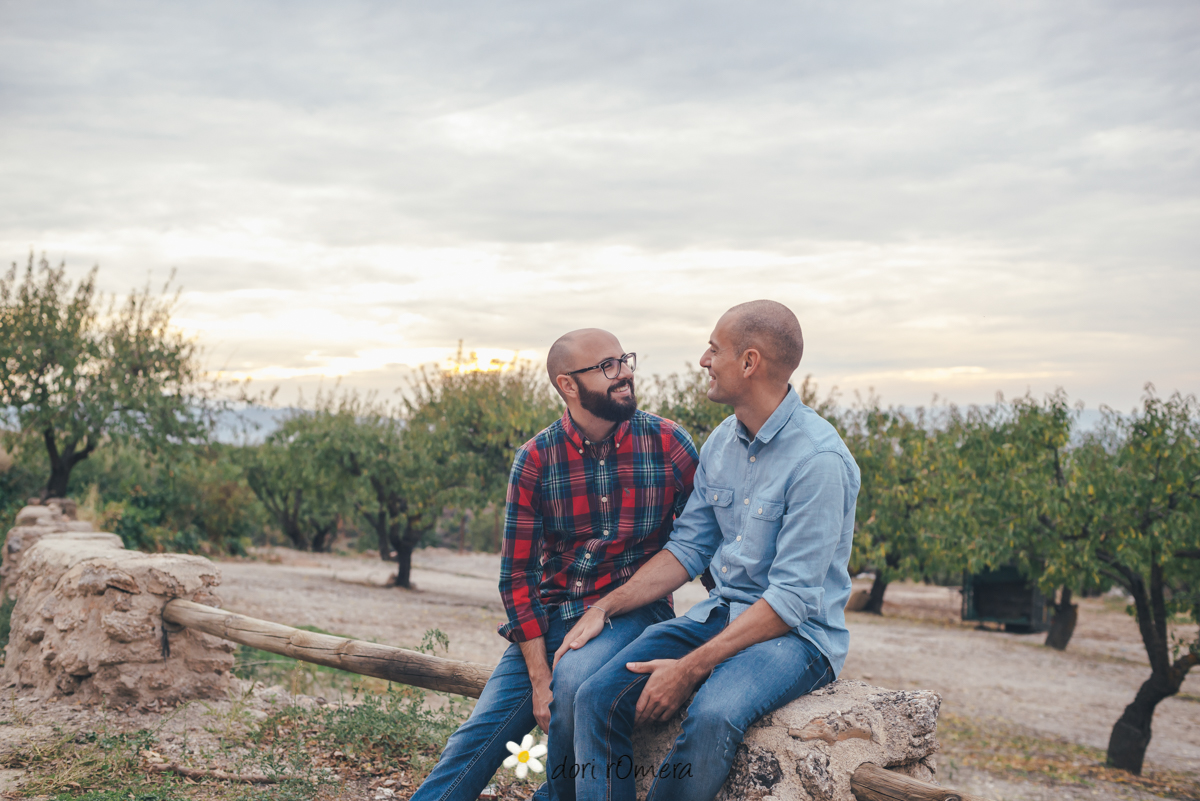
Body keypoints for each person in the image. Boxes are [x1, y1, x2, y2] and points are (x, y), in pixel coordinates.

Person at [556, 301, 860, 801]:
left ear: (749, 362)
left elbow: (791, 601)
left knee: (714, 714)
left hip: (798, 639)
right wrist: (604, 607)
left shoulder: (819, 461)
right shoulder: (723, 441)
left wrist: (691, 667)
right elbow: (688, 548)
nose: (703, 360)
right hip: (720, 616)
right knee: (596, 696)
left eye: (714, 350)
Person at [411, 328, 699, 801]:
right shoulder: (536, 458)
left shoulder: (669, 444)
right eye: (606, 366)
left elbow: (701, 544)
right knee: (475, 740)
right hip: (549, 618)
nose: (624, 373)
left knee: (573, 684)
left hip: (631, 612)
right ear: (568, 385)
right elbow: (517, 577)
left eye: (623, 359)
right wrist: (537, 675)